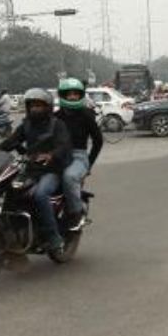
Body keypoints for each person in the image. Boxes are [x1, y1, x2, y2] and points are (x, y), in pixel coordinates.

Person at [0, 88, 72, 255]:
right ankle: (12, 233)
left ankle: (54, 237)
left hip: (51, 170)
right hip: (30, 169)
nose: (35, 108)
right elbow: (12, 141)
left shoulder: (57, 124)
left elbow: (64, 145)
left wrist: (51, 155)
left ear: (47, 107)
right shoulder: (26, 124)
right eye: (32, 105)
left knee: (40, 195)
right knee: (9, 192)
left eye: (39, 105)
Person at [55, 78, 102, 227]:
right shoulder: (56, 116)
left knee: (69, 177)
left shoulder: (87, 115)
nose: (73, 97)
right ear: (62, 95)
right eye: (69, 94)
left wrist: (89, 165)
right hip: (57, 155)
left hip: (78, 156)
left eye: (76, 94)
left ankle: (76, 212)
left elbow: (98, 141)